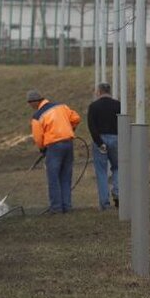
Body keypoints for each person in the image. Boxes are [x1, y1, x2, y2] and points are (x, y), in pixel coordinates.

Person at [28, 88, 81, 214]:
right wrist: (70, 129)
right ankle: (67, 206)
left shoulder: (37, 116)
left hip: (53, 147)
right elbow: (76, 118)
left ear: (33, 102)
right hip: (68, 144)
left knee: (53, 178)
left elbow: (38, 137)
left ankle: (56, 208)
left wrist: (42, 149)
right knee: (66, 176)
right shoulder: (61, 106)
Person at [87, 82, 122, 210]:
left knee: (101, 171)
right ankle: (118, 193)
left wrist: (99, 142)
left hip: (100, 139)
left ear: (99, 92)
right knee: (118, 167)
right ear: (109, 91)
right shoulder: (118, 105)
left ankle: (104, 202)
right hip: (116, 138)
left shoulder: (93, 106)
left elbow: (91, 126)